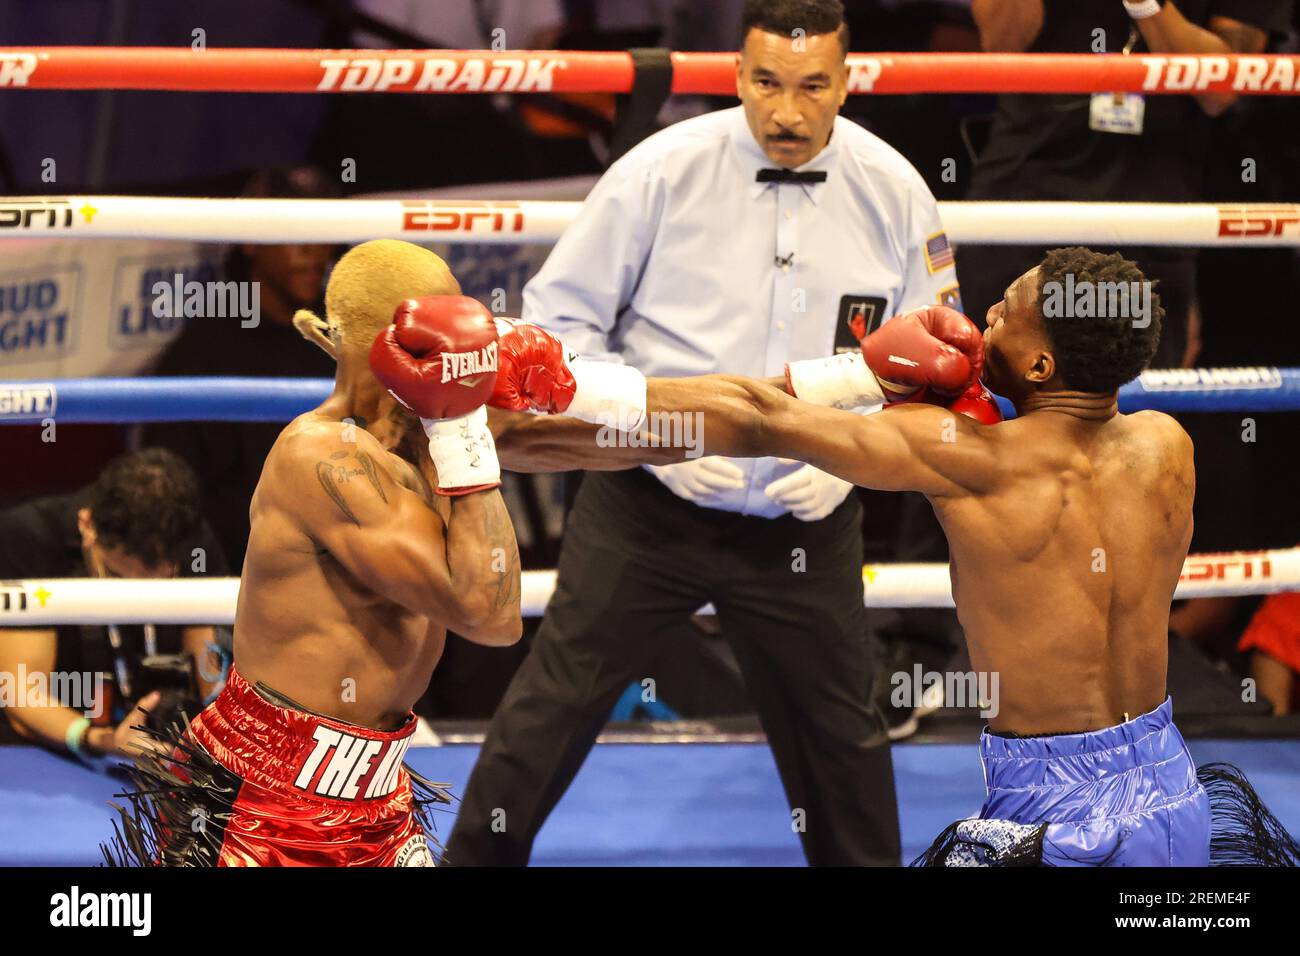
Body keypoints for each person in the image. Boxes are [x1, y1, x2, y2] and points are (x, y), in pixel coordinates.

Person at [486, 244, 1299, 865]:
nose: (982, 319)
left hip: (1051, 821)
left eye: (1004, 312)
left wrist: (571, 388)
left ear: (1043, 363)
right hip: (1174, 790)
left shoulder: (967, 460)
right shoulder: (1169, 447)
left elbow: (754, 418)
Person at [447, 0, 966, 867]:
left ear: (846, 80)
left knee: (843, 736)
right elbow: (557, 325)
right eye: (766, 82)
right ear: (736, 75)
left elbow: (940, 356)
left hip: (806, 519)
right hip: (649, 504)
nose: (787, 111)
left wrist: (849, 460)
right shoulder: (661, 170)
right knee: (551, 706)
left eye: (810, 86)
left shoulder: (896, 191)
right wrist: (656, 429)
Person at [104, 240, 528, 867]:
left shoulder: (423, 435)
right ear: (394, 339)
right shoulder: (320, 455)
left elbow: (627, 434)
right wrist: (463, 427)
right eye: (435, 327)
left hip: (379, 798)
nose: (455, 346)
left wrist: (606, 392)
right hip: (263, 803)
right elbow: (488, 614)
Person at [143, 166, 340, 571]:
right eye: (295, 232)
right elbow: (173, 493)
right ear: (251, 240)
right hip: (243, 578)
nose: (314, 249)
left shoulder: (347, 340)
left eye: (323, 230)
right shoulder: (203, 354)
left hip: (351, 568)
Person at [0, 449, 227, 759]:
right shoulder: (29, 537)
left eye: (160, 584)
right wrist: (100, 740)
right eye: (118, 577)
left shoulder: (190, 542)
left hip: (162, 747)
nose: (137, 601)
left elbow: (208, 680)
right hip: (50, 750)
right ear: (87, 525)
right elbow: (20, 694)